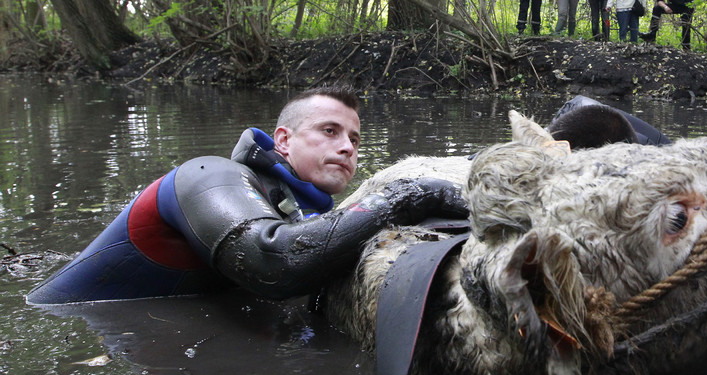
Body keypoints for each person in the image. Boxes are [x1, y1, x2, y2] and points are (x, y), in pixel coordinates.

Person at [28, 87, 468, 304]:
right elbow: (271, 262)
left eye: (354, 138)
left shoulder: (306, 219)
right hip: (71, 326)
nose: (347, 146)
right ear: (282, 140)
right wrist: (411, 194)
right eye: (329, 131)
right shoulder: (207, 175)